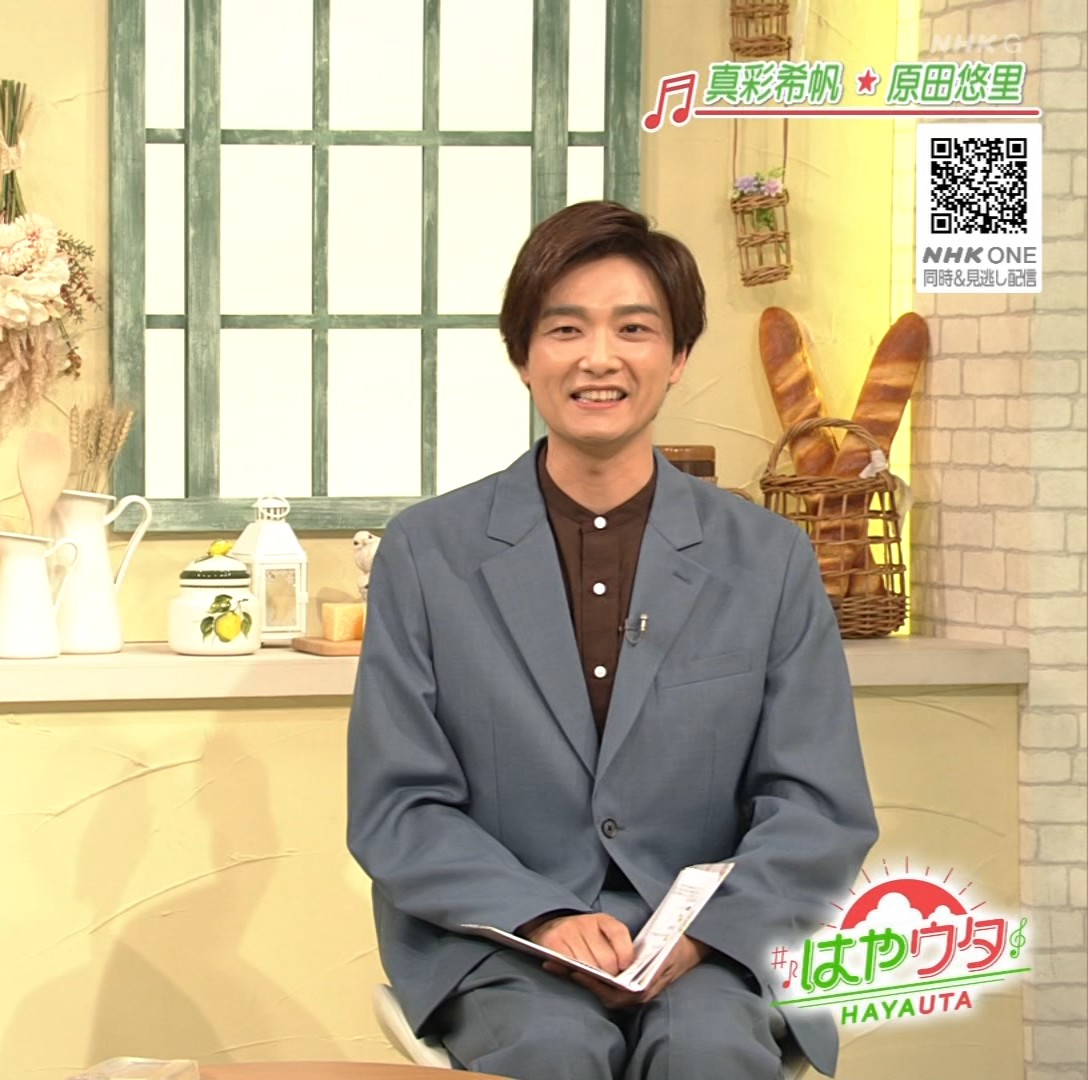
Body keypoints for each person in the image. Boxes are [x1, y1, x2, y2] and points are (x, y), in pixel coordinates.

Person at [346, 201, 877, 1079]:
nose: (599, 357)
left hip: (716, 946)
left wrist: (702, 935)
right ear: (523, 356)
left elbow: (817, 804)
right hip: (503, 941)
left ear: (678, 357)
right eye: (566, 329)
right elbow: (398, 804)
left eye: (634, 328)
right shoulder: (427, 551)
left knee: (708, 1051)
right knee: (556, 1049)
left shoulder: (768, 556)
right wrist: (543, 918)